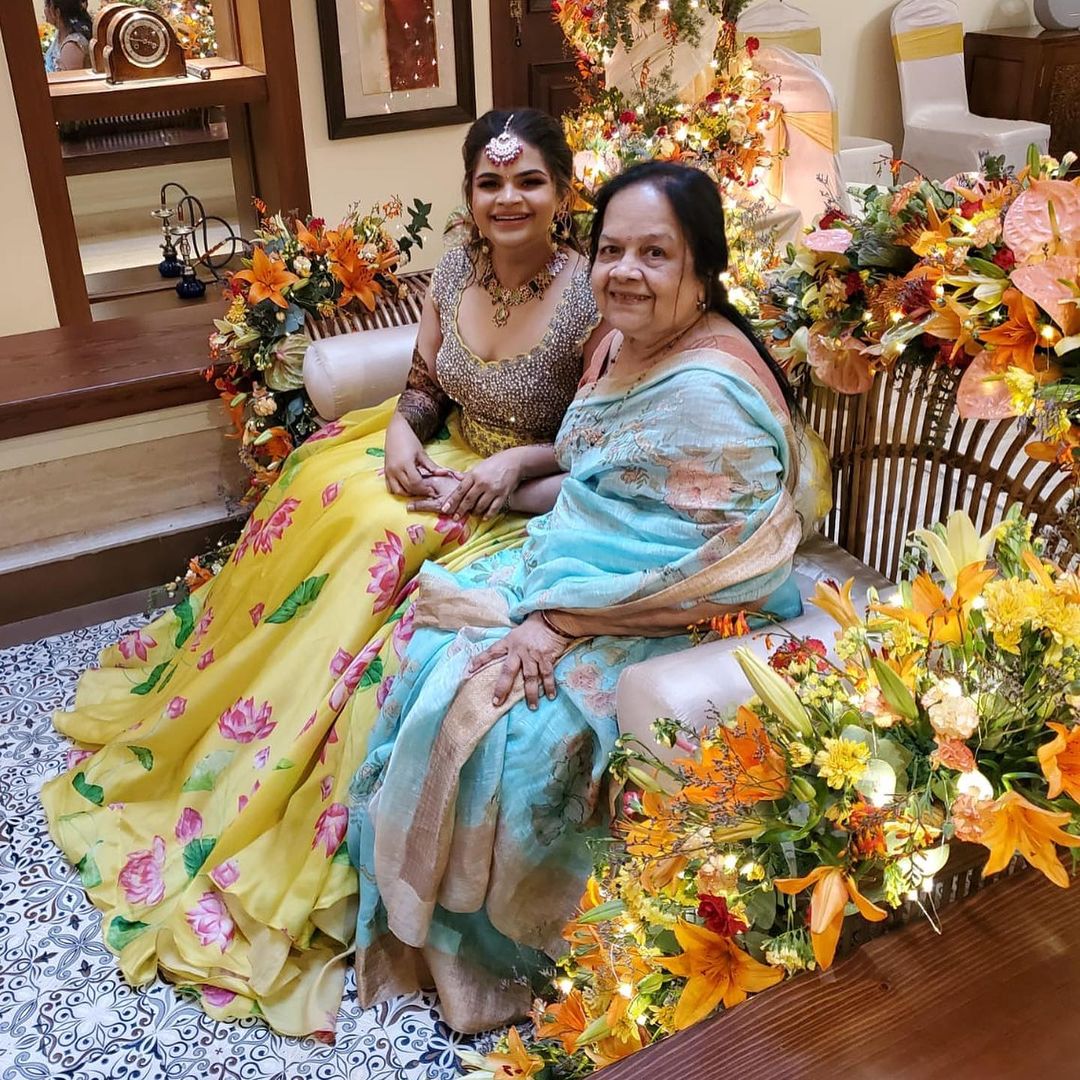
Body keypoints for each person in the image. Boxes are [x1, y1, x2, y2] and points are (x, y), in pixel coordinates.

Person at [40, 108, 603, 1038]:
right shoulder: (454, 271)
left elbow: (590, 439)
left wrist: (513, 467)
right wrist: (392, 431)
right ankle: (224, 717)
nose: (509, 198)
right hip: (441, 459)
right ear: (468, 195)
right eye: (490, 183)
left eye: (529, 181)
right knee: (329, 503)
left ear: (563, 192)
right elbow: (425, 387)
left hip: (512, 497)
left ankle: (301, 789)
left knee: (379, 565)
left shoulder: (590, 296)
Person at [347, 160, 806, 1033]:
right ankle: (412, 902)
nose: (626, 271)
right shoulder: (619, 341)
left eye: (655, 254)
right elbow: (600, 474)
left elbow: (724, 560)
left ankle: (508, 958)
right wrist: (514, 474)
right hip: (578, 561)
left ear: (702, 270)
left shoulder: (710, 388)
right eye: (613, 250)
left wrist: (560, 621)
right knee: (430, 631)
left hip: (675, 610)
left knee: (509, 726)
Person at [44, 0, 91, 72]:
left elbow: (72, 81)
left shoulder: (72, 46)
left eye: (46, 5)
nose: (44, 10)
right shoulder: (60, 33)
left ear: (57, 12)